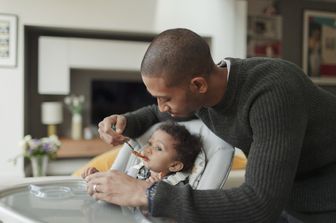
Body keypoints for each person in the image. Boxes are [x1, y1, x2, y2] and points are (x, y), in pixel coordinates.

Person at [86, 28, 336, 223]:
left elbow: (259, 205)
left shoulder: (273, 93)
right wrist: (126, 122)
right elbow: (156, 114)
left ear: (198, 85)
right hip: (287, 201)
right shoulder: (204, 92)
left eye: (166, 98)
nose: (161, 106)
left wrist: (146, 193)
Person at [83, 121, 202, 187]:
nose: (149, 149)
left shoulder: (174, 187)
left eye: (158, 148)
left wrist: (157, 192)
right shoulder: (138, 169)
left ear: (174, 165)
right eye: (150, 143)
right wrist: (98, 178)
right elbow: (116, 185)